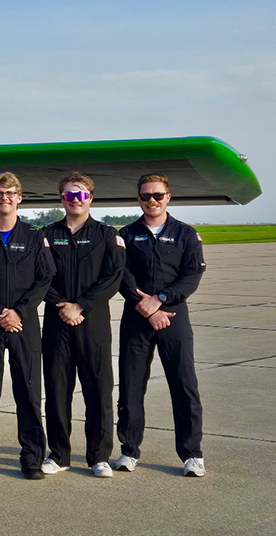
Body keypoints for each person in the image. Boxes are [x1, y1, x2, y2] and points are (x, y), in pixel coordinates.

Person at [114, 174, 207, 477]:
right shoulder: (127, 234)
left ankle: (191, 454)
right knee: (130, 386)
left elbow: (192, 275)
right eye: (145, 196)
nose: (151, 201)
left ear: (168, 197)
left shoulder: (186, 234)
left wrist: (162, 299)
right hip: (137, 318)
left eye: (157, 195)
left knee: (184, 386)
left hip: (174, 318)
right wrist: (146, 307)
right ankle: (129, 451)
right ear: (138, 199)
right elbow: (120, 274)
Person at [0, 172, 55, 480]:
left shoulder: (33, 236)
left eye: (11, 192)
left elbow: (45, 277)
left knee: (29, 392)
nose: (5, 197)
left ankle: (31, 457)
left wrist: (20, 311)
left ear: (19, 198)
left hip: (24, 324)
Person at [40, 173, 125, 479]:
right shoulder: (47, 234)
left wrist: (82, 305)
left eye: (81, 195)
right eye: (68, 195)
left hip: (93, 323)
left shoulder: (106, 234)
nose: (75, 200)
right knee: (57, 390)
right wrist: (62, 304)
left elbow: (113, 276)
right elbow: (40, 277)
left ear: (91, 197)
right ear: (61, 199)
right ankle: (59, 454)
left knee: (98, 391)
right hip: (57, 323)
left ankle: (99, 456)